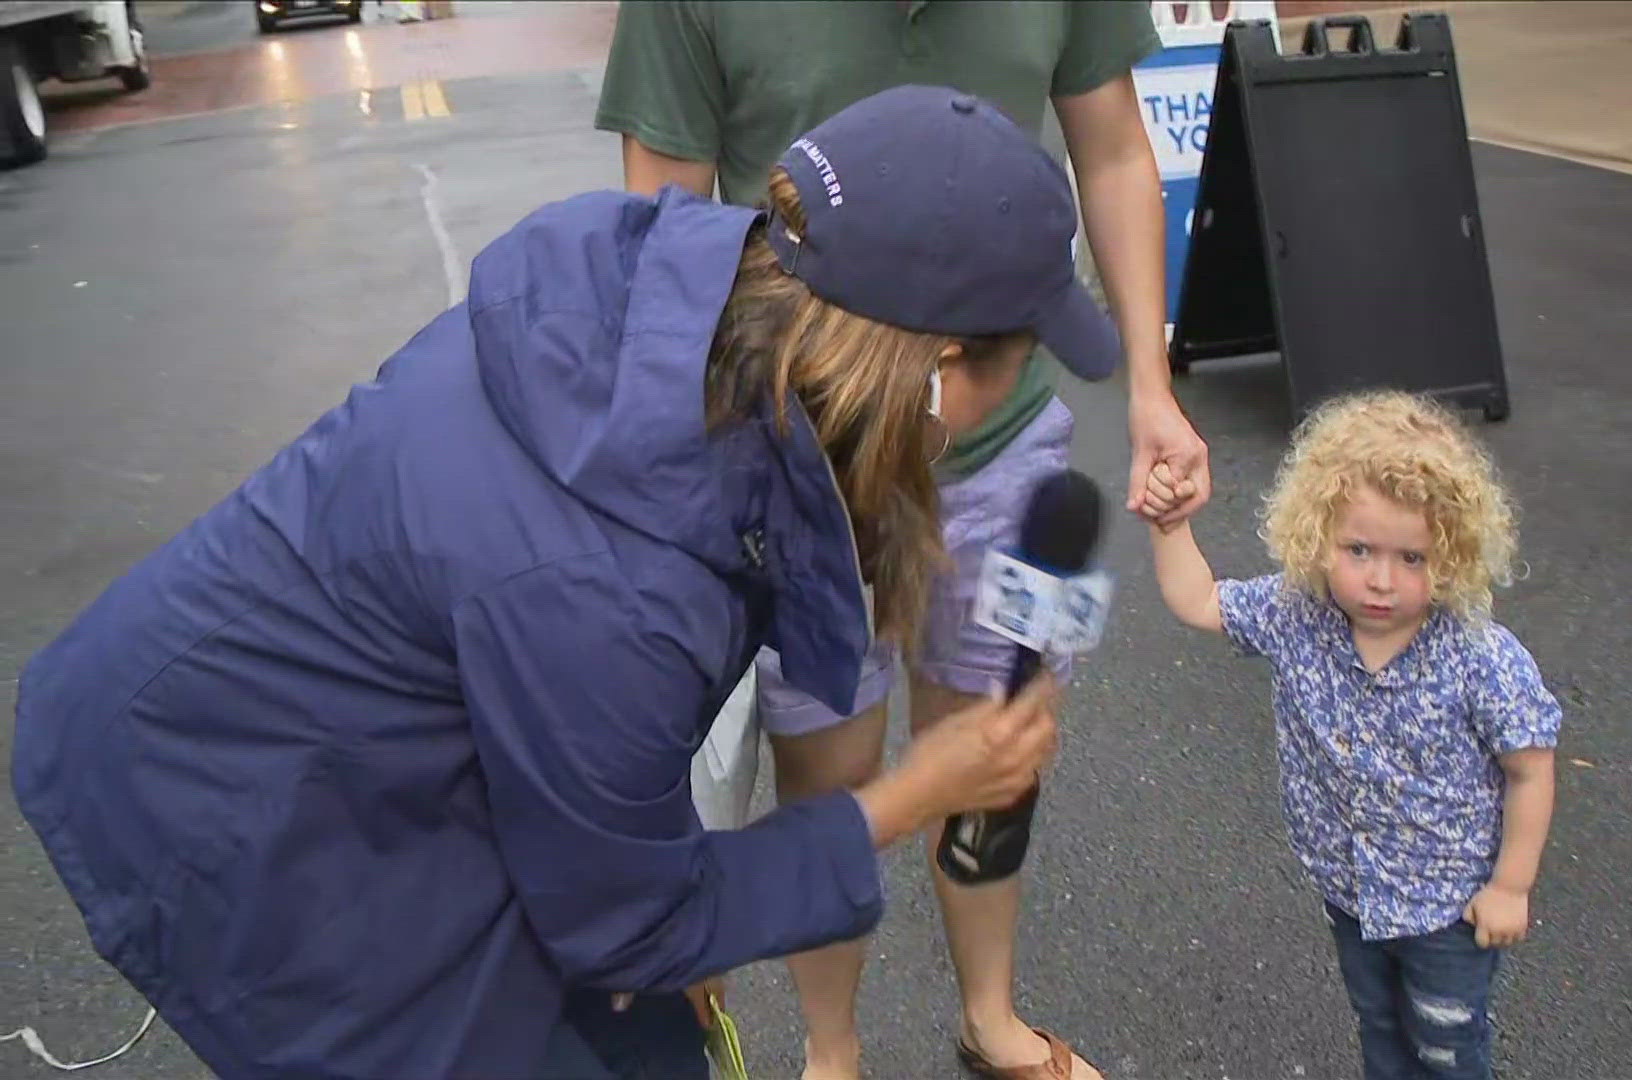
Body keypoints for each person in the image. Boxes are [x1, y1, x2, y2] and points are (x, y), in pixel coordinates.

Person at [9, 86, 1114, 1080]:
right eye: (1019, 365)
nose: (1017, 400)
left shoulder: (698, 305)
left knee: (640, 1023)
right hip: (227, 795)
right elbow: (630, 919)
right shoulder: (611, 586)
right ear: (927, 370)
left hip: (377, 726)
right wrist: (923, 788)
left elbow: (612, 755)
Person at [595, 6, 1209, 1077]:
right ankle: (832, 1053)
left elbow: (1112, 146)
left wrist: (1153, 388)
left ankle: (991, 1017)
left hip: (1014, 453)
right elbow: (663, 230)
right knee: (826, 771)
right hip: (808, 461)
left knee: (998, 756)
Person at [1143, 391, 1562, 1080]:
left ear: (1452, 555)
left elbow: (1530, 767)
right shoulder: (1296, 614)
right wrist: (1170, 526)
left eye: (1412, 558)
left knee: (1447, 1044)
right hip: (1349, 887)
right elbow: (1199, 601)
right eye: (1358, 549)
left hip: (1449, 906)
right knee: (1378, 1023)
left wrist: (1512, 885)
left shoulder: (1479, 658)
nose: (1380, 579)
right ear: (1317, 534)